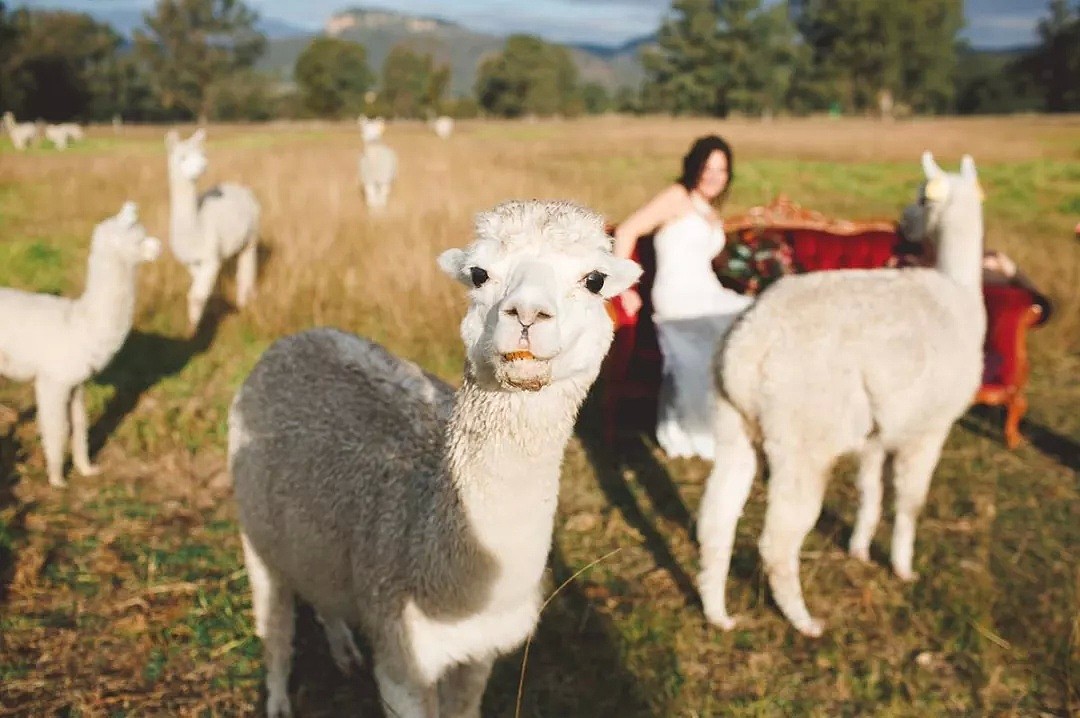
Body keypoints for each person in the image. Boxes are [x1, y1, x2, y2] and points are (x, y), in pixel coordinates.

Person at [613, 135, 752, 460]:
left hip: (706, 291)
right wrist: (624, 287)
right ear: (694, 167)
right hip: (678, 297)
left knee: (755, 316)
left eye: (722, 170)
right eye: (707, 168)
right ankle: (701, 429)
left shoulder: (708, 209)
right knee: (728, 332)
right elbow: (626, 231)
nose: (714, 176)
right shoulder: (677, 197)